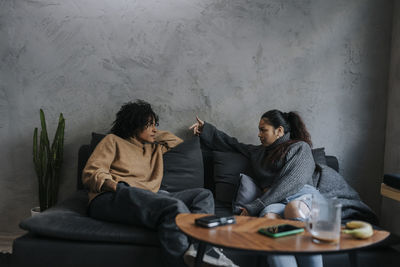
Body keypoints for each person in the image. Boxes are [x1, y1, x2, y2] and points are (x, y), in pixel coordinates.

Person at [82, 100, 237, 267]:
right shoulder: (112, 141)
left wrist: (153, 131)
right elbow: (92, 172)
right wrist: (115, 186)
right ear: (134, 125)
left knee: (203, 195)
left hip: (148, 196)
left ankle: (201, 249)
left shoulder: (154, 148)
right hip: (113, 195)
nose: (155, 129)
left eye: (155, 124)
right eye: (150, 125)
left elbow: (177, 143)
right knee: (174, 206)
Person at [190, 110, 323, 267]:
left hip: (301, 196)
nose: (259, 134)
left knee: (293, 209)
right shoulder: (258, 152)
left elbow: (291, 182)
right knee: (268, 220)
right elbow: (232, 144)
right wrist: (206, 129)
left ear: (279, 131)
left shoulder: (300, 148)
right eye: (259, 130)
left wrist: (257, 204)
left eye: (263, 130)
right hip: (275, 202)